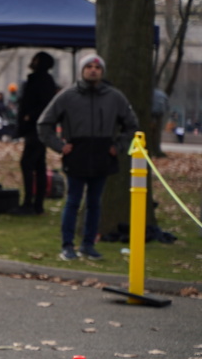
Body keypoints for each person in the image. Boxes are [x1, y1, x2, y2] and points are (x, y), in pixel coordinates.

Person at [37, 53, 138, 261]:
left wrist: (118, 146)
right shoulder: (67, 96)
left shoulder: (114, 97)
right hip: (77, 155)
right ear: (82, 70)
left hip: (102, 155)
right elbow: (44, 124)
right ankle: (67, 246)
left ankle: (88, 245)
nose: (93, 70)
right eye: (89, 67)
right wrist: (60, 146)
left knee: (95, 202)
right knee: (73, 201)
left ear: (102, 72)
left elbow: (132, 125)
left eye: (97, 67)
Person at [13, 51, 58, 215]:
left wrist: (30, 116)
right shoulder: (42, 80)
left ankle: (30, 202)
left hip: (36, 128)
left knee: (28, 163)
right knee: (38, 165)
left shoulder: (41, 80)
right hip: (36, 128)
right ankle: (36, 203)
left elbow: (44, 104)